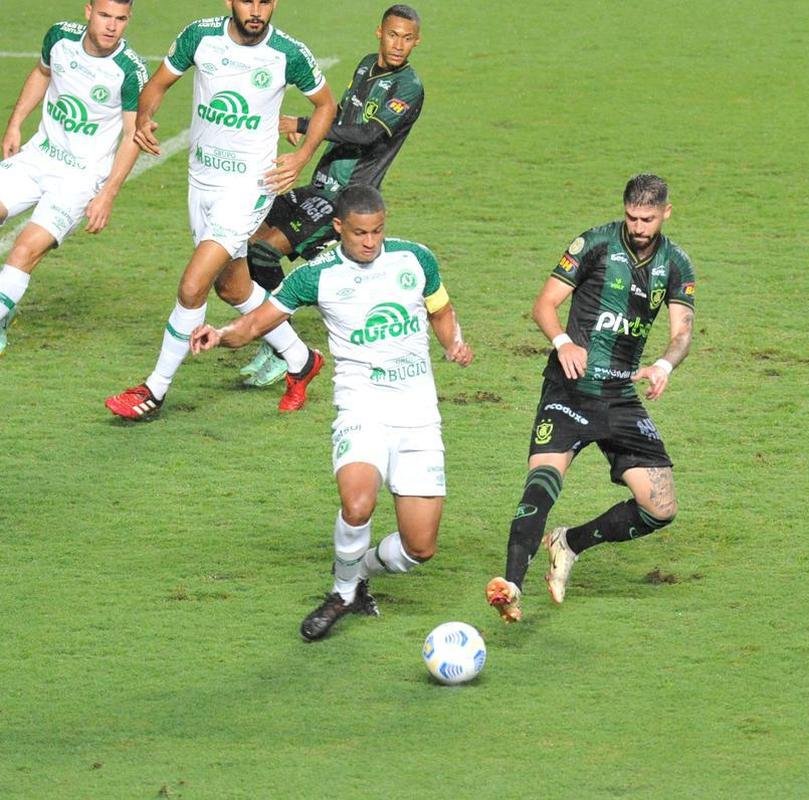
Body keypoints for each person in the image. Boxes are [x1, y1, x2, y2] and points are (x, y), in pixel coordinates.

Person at [190, 185, 473, 641]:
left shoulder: (415, 258)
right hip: (362, 407)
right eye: (360, 233)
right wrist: (220, 335)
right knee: (357, 505)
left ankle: (359, 570)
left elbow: (440, 310)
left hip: (419, 415)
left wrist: (452, 343)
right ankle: (342, 593)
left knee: (419, 548)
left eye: (378, 231)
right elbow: (256, 322)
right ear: (339, 227)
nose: (371, 241)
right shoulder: (315, 276)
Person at [104, 0, 337, 420]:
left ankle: (154, 390)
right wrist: (144, 118)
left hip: (249, 187)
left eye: (265, 2)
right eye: (248, 1)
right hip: (202, 182)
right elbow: (157, 85)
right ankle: (302, 360)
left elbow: (326, 105)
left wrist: (301, 157)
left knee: (193, 286)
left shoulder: (288, 53)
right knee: (233, 288)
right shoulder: (200, 36)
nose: (256, 10)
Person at [485, 173, 697, 622]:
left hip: (620, 395)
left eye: (648, 219)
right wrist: (563, 342)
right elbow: (544, 305)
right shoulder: (595, 244)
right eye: (632, 217)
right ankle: (511, 584)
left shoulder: (676, 264)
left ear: (666, 213)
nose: (638, 227)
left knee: (661, 508)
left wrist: (664, 365)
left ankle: (570, 543)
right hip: (570, 387)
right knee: (543, 480)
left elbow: (682, 332)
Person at [238, 3, 426, 387]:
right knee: (247, 242)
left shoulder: (408, 86)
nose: (398, 44)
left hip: (347, 197)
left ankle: (283, 348)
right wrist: (310, 126)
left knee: (265, 252)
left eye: (407, 39)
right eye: (393, 35)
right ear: (380, 32)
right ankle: (281, 337)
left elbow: (368, 134)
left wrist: (304, 123)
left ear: (416, 42)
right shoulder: (365, 66)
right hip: (321, 184)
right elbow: (343, 115)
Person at [0, 0, 147, 355]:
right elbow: (42, 73)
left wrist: (107, 194)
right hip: (37, 156)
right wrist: (16, 124)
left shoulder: (129, 70)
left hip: (79, 179)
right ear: (88, 11)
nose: (112, 26)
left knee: (24, 250)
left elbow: (133, 135)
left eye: (121, 19)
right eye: (105, 16)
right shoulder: (60, 38)